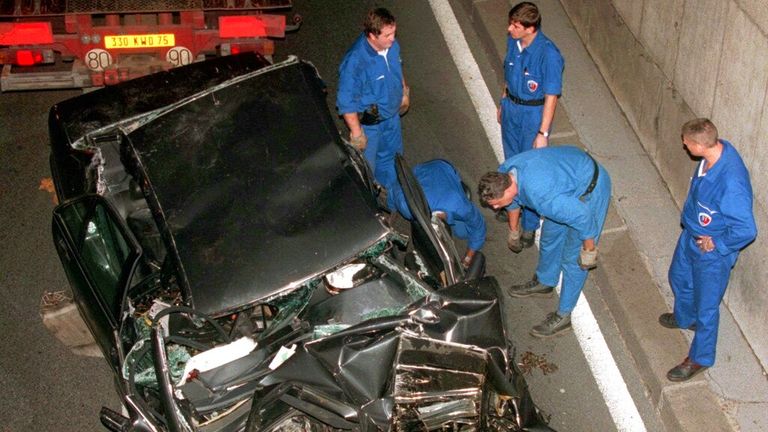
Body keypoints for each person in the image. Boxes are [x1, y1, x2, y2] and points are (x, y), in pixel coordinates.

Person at [478, 146, 610, 337]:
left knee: (573, 260)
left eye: (497, 203)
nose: (496, 207)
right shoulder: (505, 173)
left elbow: (583, 217)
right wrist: (513, 231)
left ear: (509, 188)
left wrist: (589, 250)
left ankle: (564, 316)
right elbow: (513, 202)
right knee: (549, 238)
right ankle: (545, 281)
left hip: (589, 193)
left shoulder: (542, 197)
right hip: (565, 182)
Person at [661, 118, 756, 382]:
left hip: (711, 253)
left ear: (699, 145)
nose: (683, 144)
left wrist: (717, 243)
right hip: (691, 236)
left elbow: (747, 229)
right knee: (679, 277)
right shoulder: (711, 155)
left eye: (686, 142)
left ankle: (700, 357)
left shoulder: (732, 183)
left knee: (707, 305)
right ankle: (685, 316)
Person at [497, 2, 564, 248]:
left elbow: (551, 96)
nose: (509, 29)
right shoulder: (513, 43)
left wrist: (542, 132)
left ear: (530, 28)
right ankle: (511, 205)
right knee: (511, 164)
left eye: (515, 26)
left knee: (531, 171)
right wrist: (503, 100)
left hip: (533, 114)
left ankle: (530, 224)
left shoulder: (549, 55)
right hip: (512, 109)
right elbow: (508, 73)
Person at [337, 7, 409, 190]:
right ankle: (371, 199)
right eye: (387, 35)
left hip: (392, 118)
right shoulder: (355, 62)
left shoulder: (392, 46)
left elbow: (397, 68)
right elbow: (346, 101)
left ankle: (391, 193)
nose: (393, 38)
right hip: (371, 125)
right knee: (367, 168)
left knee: (394, 159)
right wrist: (357, 133)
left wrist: (404, 92)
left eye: (394, 32)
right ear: (372, 35)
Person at [388, 159, 486, 267]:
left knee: (462, 233)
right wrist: (391, 217)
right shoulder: (406, 206)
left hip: (442, 167)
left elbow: (478, 226)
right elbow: (393, 190)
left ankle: (458, 185)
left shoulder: (458, 206)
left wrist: (468, 258)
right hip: (420, 171)